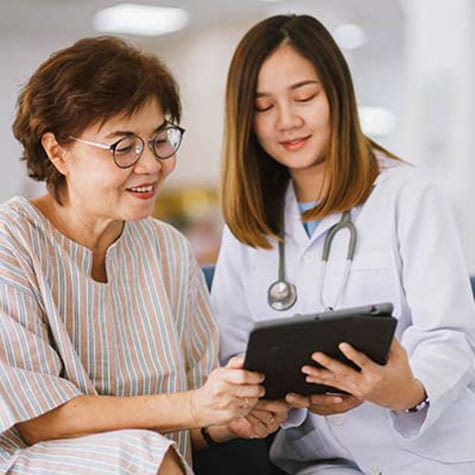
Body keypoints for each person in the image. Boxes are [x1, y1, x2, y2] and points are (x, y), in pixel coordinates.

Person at [0, 36, 289, 474]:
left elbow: (180, 421)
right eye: (123, 146)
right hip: (26, 459)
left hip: (156, 460)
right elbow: (38, 422)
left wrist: (223, 422)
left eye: (159, 139)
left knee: (147, 453)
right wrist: (195, 407)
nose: (151, 164)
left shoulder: (168, 249)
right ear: (57, 151)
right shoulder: (12, 241)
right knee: (137, 456)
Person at [211, 14, 475, 475]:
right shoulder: (249, 222)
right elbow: (233, 349)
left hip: (433, 456)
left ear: (338, 94)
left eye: (304, 97)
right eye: (263, 106)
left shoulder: (407, 195)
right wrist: (265, 396)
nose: (287, 121)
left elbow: (448, 337)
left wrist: (404, 390)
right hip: (320, 461)